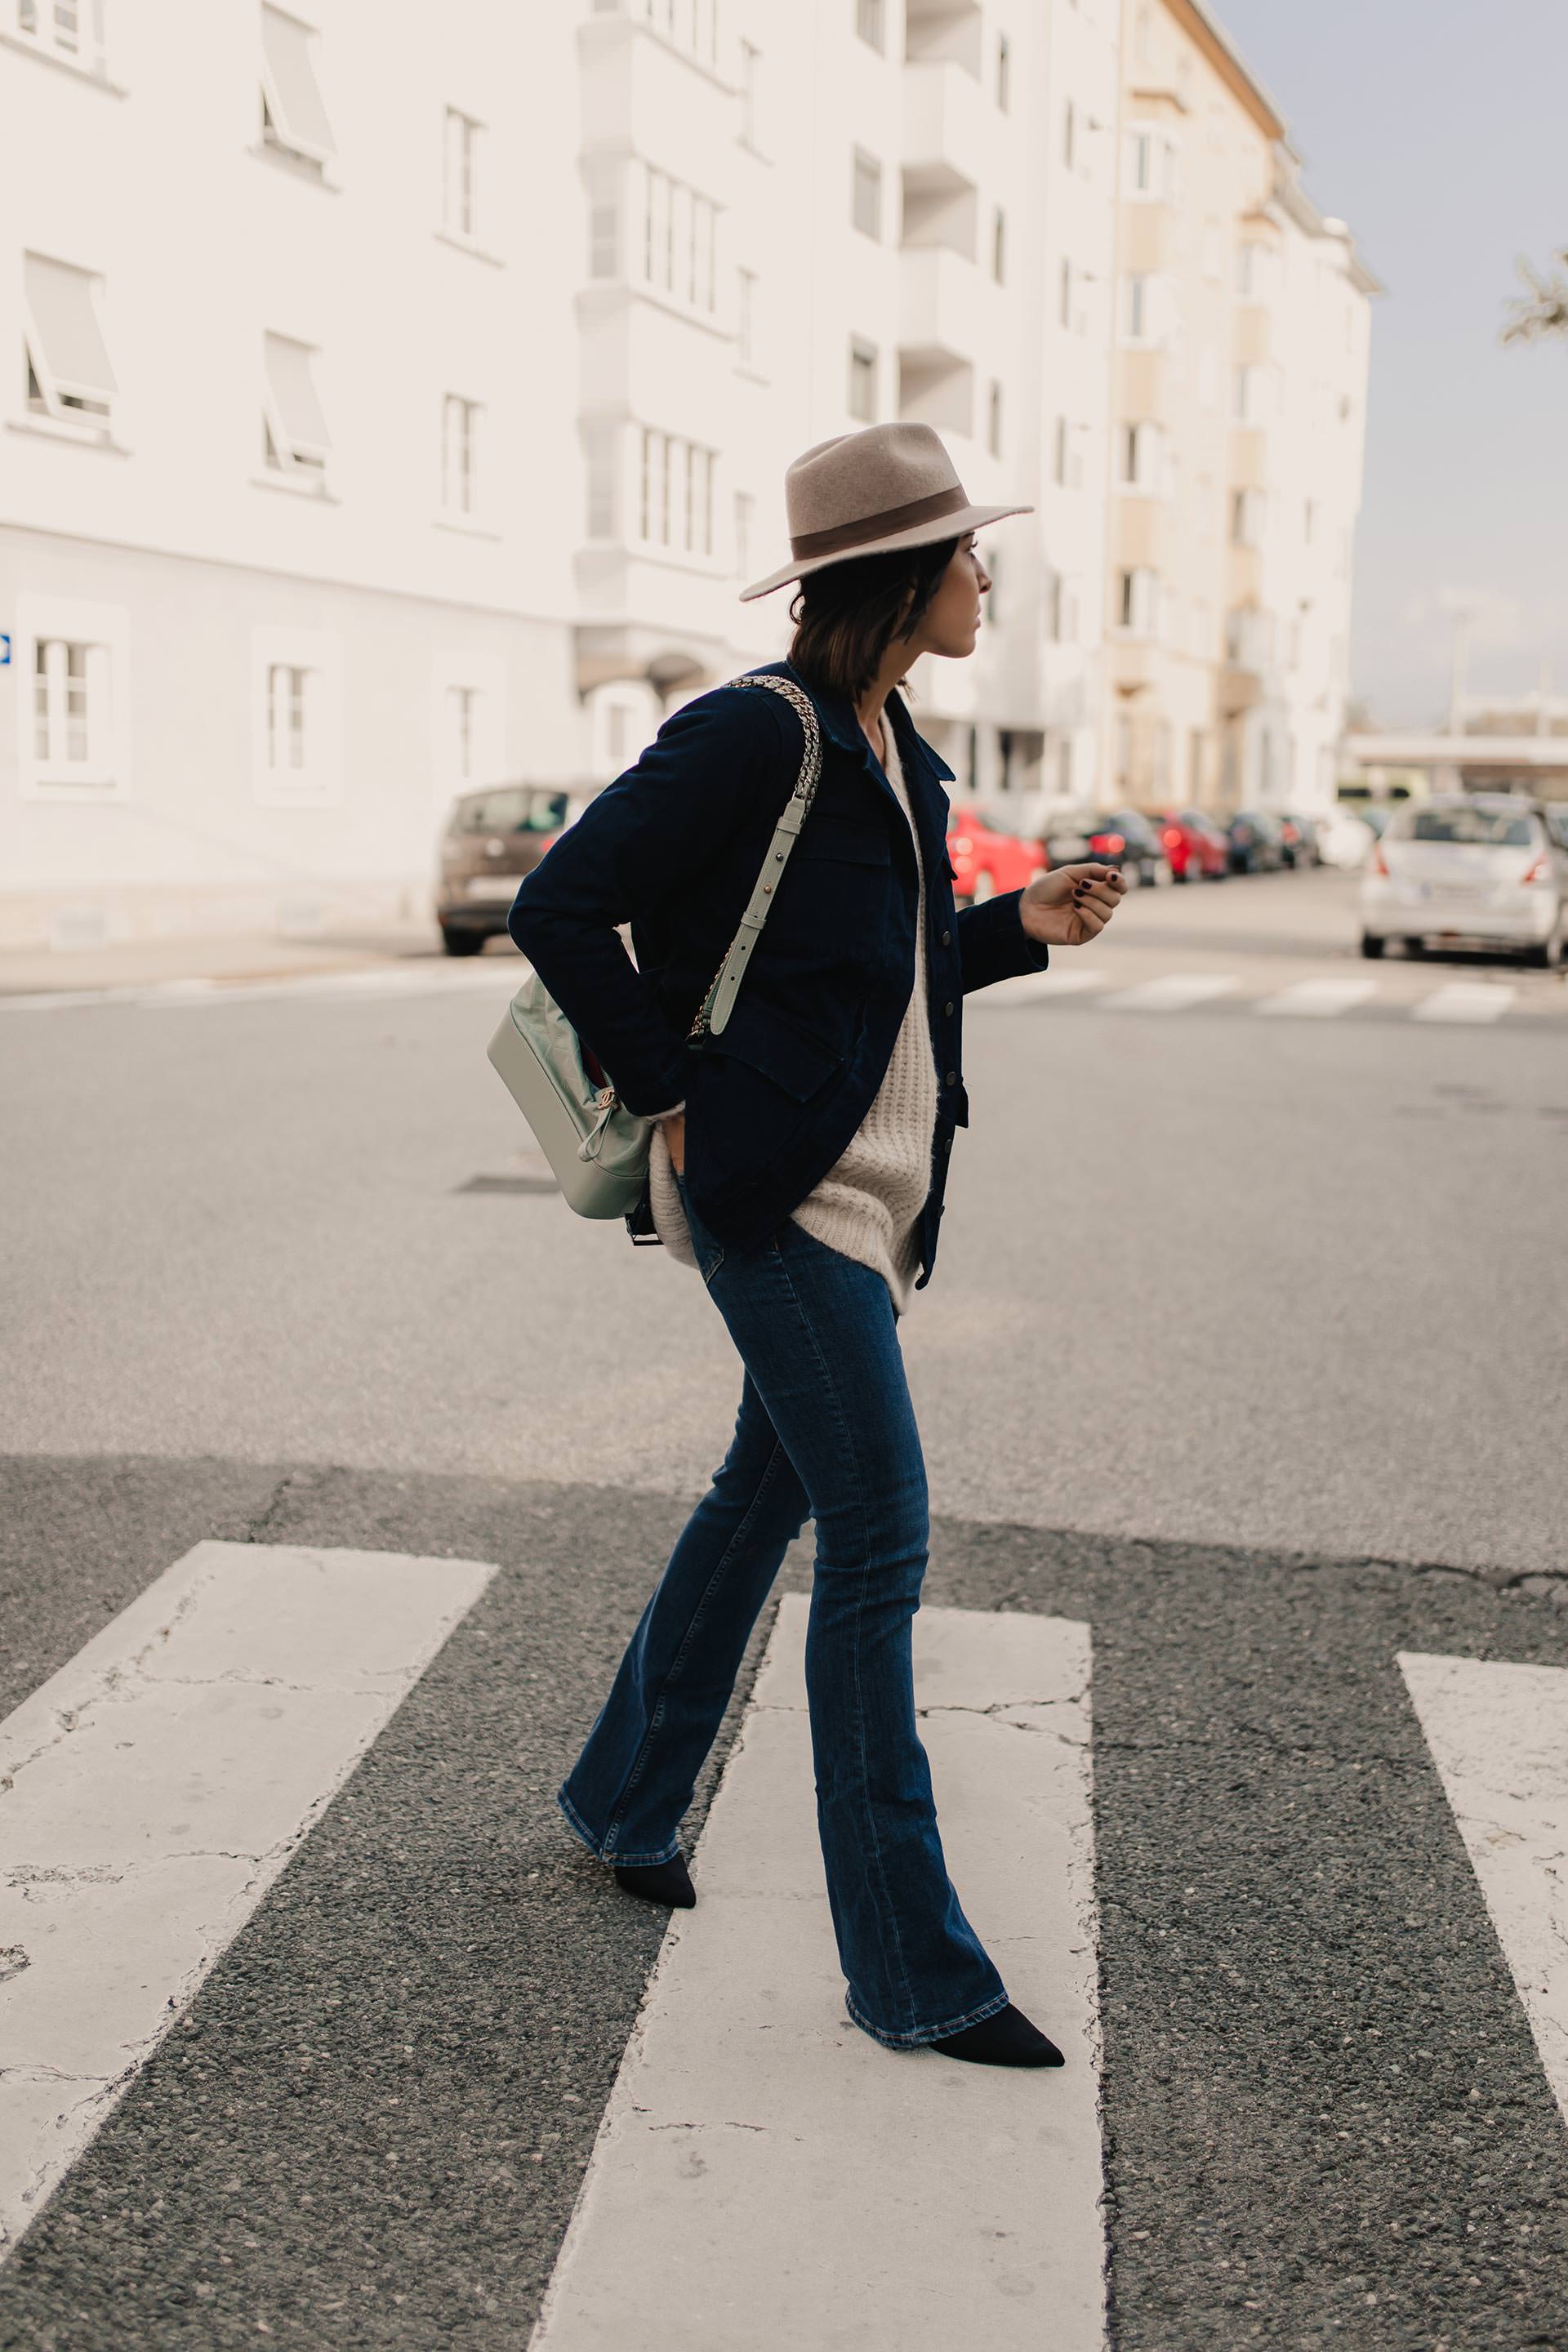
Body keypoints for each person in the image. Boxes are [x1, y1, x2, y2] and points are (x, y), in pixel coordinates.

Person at [509, 421, 1125, 2068]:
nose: (986, 574)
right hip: (778, 1196)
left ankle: (628, 1800)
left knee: (758, 1495)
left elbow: (883, 966)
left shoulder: (895, 751)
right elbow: (560, 902)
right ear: (899, 575)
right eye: (966, 551)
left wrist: (1016, 931)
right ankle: (912, 1970)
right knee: (879, 1545)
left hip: (867, 1199)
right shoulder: (751, 734)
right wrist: (665, 1095)